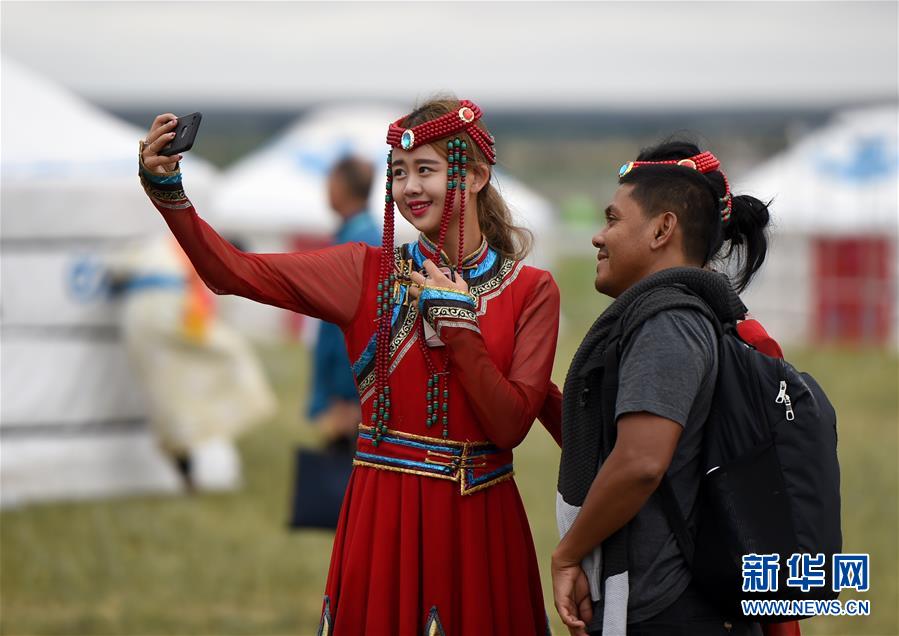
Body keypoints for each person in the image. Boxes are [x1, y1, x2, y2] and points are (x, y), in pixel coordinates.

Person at [138, 98, 560, 635]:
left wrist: (457, 324)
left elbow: (509, 425)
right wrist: (168, 190)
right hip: (382, 516)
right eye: (399, 172)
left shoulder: (531, 291)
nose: (409, 187)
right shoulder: (363, 273)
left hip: (479, 521)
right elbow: (231, 272)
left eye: (425, 170)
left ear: (475, 176)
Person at [551, 139, 772, 636]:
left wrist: (568, 554)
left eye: (612, 219)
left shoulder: (668, 321)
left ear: (662, 229)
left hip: (672, 611)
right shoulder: (688, 315)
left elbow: (640, 462)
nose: (598, 236)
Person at [107, 235, 276, 491]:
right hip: (170, 320)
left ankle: (187, 470)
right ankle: (188, 467)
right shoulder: (185, 262)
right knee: (225, 358)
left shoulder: (167, 248)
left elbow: (118, 266)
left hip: (151, 324)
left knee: (169, 400)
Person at [309, 156, 380, 452]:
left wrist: (348, 396)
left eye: (330, 180)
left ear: (342, 186)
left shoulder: (360, 242)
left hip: (349, 398)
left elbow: (361, 325)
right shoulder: (354, 234)